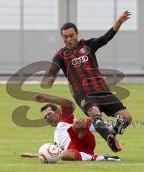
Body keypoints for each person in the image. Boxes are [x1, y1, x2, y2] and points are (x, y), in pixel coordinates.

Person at [43, 10, 133, 152]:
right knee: (94, 113)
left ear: (77, 35)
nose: (68, 39)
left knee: (127, 118)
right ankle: (109, 137)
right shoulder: (61, 55)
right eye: (65, 37)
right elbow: (53, 69)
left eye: (71, 36)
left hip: (102, 90)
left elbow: (106, 38)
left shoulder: (87, 46)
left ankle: (112, 134)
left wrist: (119, 22)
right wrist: (50, 78)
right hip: (83, 94)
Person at [21, 94, 121, 161]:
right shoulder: (56, 136)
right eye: (45, 117)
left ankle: (110, 129)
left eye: (49, 113)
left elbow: (69, 105)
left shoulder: (64, 118)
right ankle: (97, 157)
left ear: (57, 112)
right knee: (63, 155)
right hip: (76, 150)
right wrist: (36, 155)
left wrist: (47, 99)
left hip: (82, 137)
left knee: (78, 123)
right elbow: (53, 151)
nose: (48, 117)